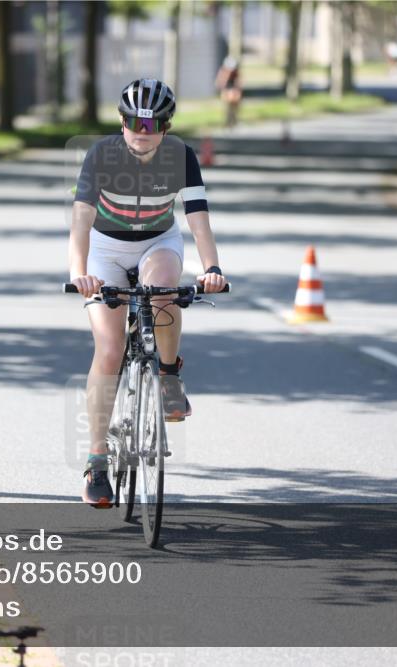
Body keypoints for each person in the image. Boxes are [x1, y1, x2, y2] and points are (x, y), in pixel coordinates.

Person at [69, 78, 228, 507]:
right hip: (105, 249)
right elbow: (82, 219)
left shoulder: (182, 157)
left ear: (167, 126)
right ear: (122, 123)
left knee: (164, 291)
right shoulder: (102, 155)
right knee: (109, 348)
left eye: (154, 124)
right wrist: (79, 272)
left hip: (158, 242)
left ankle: (169, 374)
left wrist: (211, 267)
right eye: (136, 123)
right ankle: (97, 461)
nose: (144, 132)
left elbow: (197, 219)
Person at [214, 56, 242, 128]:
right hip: (226, 89)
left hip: (233, 89)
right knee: (227, 106)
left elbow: (238, 82)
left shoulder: (236, 72)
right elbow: (220, 83)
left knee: (235, 105)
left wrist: (237, 91)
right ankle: (228, 121)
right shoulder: (223, 71)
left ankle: (234, 120)